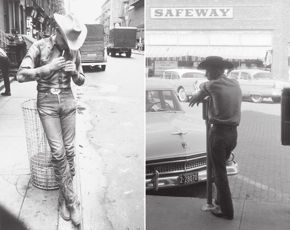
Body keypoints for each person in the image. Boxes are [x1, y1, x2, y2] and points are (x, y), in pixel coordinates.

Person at [16, 13, 87, 226]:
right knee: (58, 152)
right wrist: (47, 69)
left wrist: (75, 73)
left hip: (67, 101)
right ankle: (72, 202)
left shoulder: (74, 51)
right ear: (57, 32)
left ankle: (64, 197)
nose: (69, 45)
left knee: (70, 151)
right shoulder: (38, 46)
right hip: (46, 102)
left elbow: (82, 80)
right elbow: (20, 75)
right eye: (67, 40)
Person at [189, 56, 242, 220]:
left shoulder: (211, 85)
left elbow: (196, 95)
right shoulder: (236, 83)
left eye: (208, 70)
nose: (205, 74)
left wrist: (198, 97)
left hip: (218, 133)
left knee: (219, 174)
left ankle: (226, 211)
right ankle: (219, 202)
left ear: (216, 70)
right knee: (220, 170)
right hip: (233, 134)